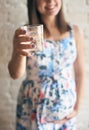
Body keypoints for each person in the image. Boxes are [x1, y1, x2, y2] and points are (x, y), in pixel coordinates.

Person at [8, 0, 85, 130]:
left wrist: (77, 107)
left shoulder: (74, 32)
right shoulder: (27, 34)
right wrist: (18, 52)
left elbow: (80, 73)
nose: (50, 1)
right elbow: (15, 74)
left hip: (66, 116)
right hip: (33, 111)